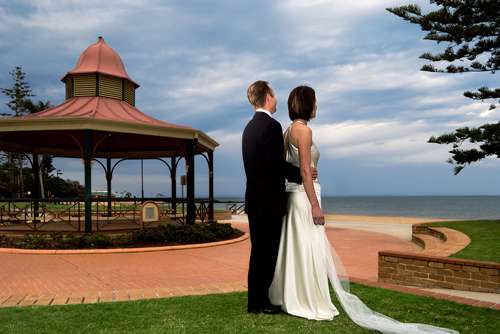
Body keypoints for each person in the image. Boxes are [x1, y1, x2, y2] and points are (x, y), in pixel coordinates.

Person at [269, 85, 459, 334]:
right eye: (314, 102)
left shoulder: (287, 131)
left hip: (293, 195)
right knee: (308, 246)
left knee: (298, 246)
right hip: (306, 196)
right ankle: (309, 300)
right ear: (307, 104)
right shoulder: (304, 131)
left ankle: (293, 296)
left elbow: (290, 169)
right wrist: (315, 204)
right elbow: (305, 169)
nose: (316, 106)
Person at [241, 80, 317, 314]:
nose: (276, 99)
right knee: (268, 253)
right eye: (274, 95)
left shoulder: (249, 127)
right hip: (269, 201)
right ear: (267, 97)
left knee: (258, 253)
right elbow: (275, 165)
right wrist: (303, 175)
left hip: (254, 200)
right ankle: (262, 301)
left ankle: (255, 301)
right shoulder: (271, 126)